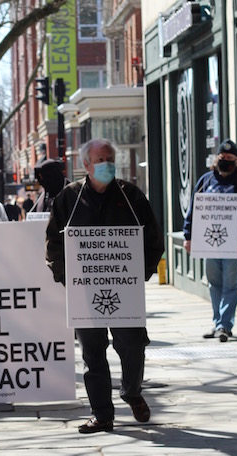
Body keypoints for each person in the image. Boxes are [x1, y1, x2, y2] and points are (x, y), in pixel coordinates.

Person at [45, 138, 164, 434]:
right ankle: (101, 414)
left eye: (110, 158)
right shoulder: (68, 199)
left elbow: (152, 239)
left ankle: (131, 392)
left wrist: (142, 275)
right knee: (93, 353)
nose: (107, 164)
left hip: (125, 292)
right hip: (84, 293)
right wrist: (66, 278)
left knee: (133, 347)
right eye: (101, 159)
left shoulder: (132, 196)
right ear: (85, 164)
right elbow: (54, 244)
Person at [183, 139, 237, 342]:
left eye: (230, 158)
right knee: (214, 283)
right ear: (216, 158)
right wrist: (188, 236)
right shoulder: (206, 180)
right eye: (222, 157)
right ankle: (218, 321)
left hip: (234, 242)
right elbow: (193, 209)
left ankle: (224, 325)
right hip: (208, 242)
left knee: (231, 283)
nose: (225, 160)